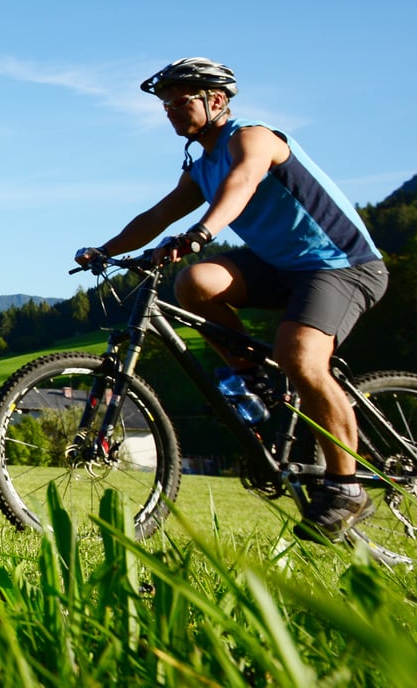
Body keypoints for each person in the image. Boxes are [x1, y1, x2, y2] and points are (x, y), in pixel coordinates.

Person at [76, 57, 390, 540]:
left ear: (216, 100)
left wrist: (201, 231)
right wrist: (106, 249)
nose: (171, 112)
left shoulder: (255, 136)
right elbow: (155, 216)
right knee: (194, 284)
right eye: (166, 106)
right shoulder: (200, 169)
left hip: (340, 265)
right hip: (283, 269)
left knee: (301, 357)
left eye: (180, 102)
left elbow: (242, 184)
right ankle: (255, 379)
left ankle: (347, 487)